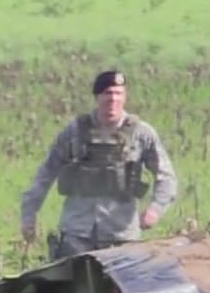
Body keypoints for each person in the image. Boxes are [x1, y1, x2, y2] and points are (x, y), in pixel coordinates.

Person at [20, 70, 178, 260]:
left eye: (118, 93)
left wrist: (156, 209)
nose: (112, 99)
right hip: (76, 234)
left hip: (122, 236)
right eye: (107, 93)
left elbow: (166, 176)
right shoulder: (75, 130)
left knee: (119, 290)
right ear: (97, 96)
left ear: (125, 97)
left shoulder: (141, 133)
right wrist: (29, 214)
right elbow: (46, 173)